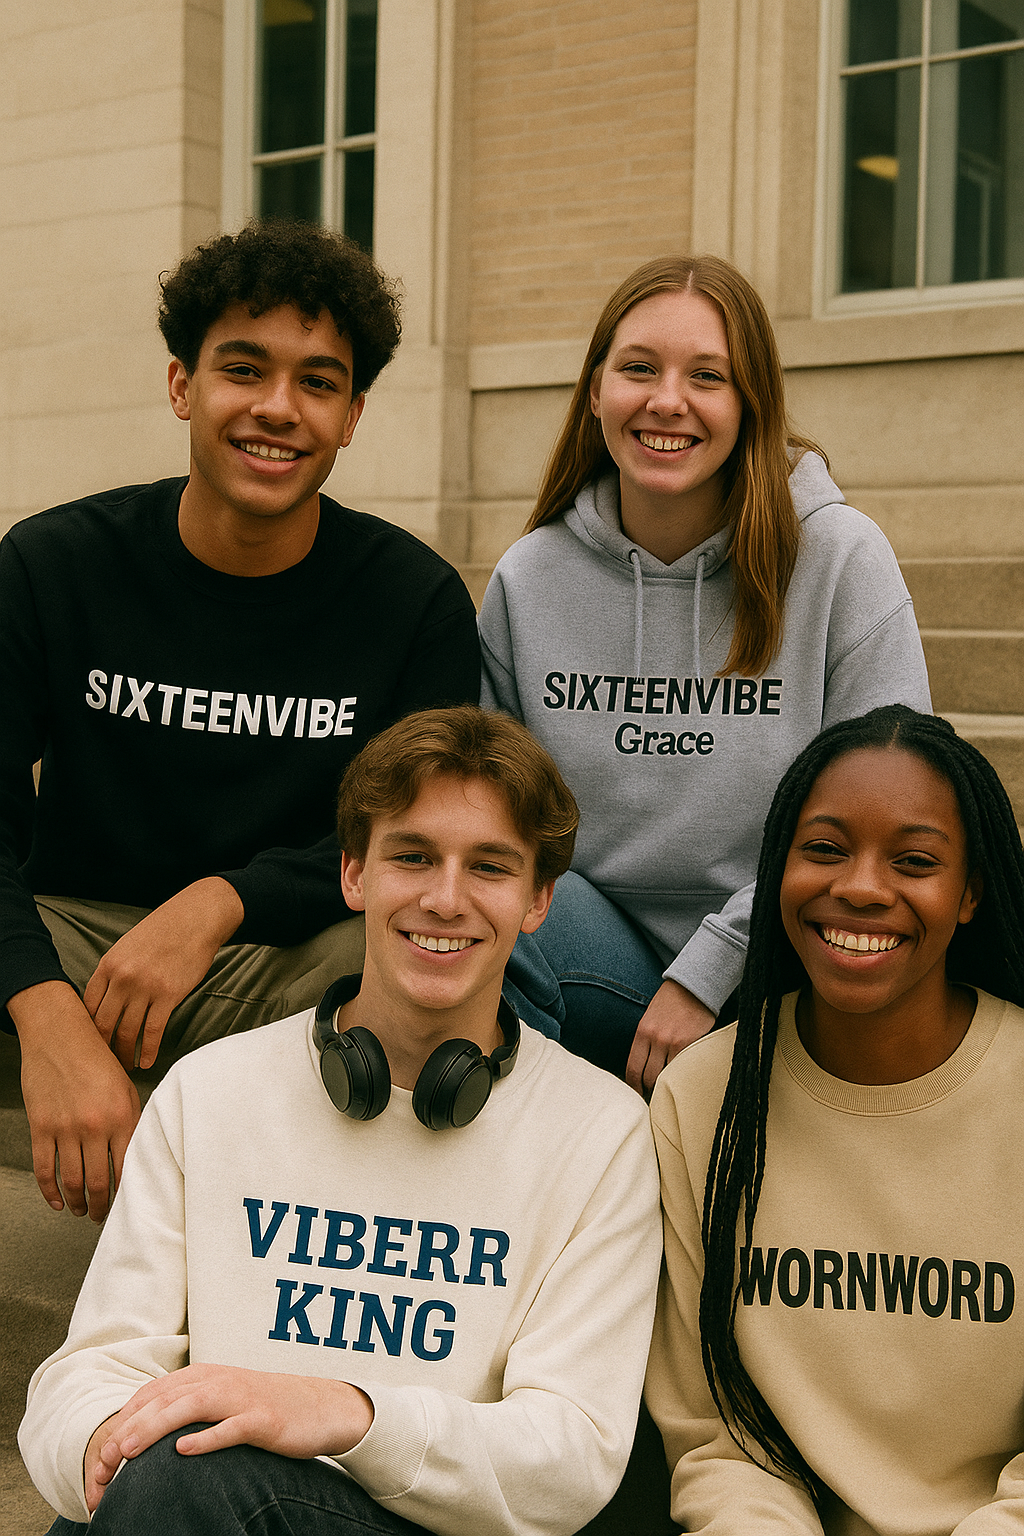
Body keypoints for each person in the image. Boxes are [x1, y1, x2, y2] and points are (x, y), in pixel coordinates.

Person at [18, 706, 662, 1536]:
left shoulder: (601, 1131)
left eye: (490, 867)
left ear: (538, 901)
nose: (445, 898)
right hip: (198, 1505)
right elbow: (89, 1370)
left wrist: (345, 1416)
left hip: (429, 1523)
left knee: (183, 1482)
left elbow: (574, 1455)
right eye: (413, 857)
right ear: (355, 876)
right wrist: (104, 1439)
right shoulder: (209, 1090)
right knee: (142, 1482)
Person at [1, 220, 480, 1222]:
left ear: (351, 414)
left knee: (415, 938)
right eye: (244, 369)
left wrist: (218, 901)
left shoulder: (411, 603)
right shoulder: (52, 567)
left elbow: (412, 841)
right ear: (182, 386)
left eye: (317, 381)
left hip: (280, 956)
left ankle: (330, 1241)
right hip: (79, 944)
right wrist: (46, 1021)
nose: (277, 408)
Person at [478, 255, 930, 1096]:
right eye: (638, 368)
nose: (666, 400)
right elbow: (497, 813)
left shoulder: (837, 559)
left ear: (749, 401)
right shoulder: (531, 578)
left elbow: (894, 811)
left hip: (793, 953)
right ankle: (536, 1176)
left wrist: (713, 967)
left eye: (707, 376)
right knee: (484, 911)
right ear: (595, 392)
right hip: (596, 954)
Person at [645, 704, 1024, 1534]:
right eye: (823, 849)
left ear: (970, 895)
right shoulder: (701, 1098)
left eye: (915, 860)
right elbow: (716, 1434)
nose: (858, 886)